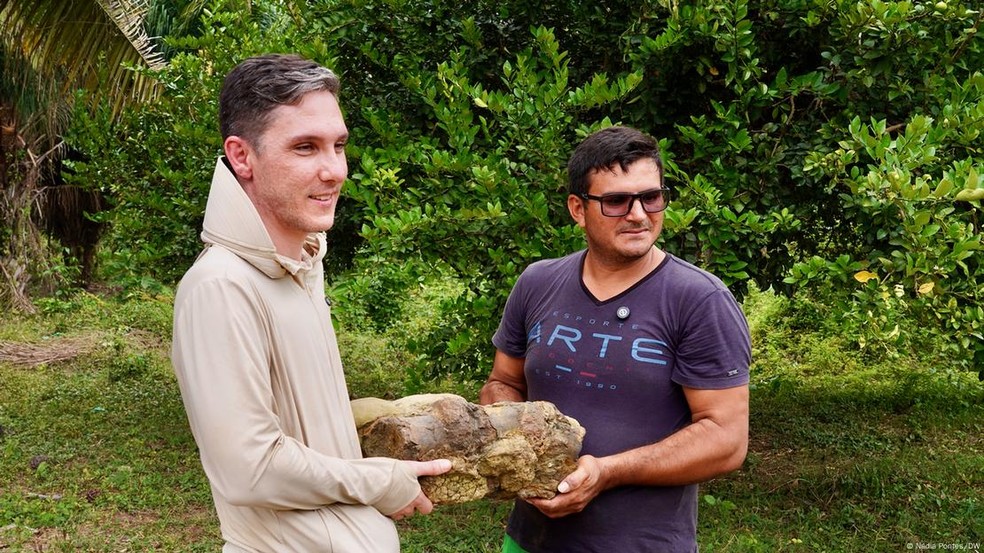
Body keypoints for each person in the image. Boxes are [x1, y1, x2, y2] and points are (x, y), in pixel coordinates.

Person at [171, 54, 450, 552]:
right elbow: (249, 470)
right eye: (305, 148)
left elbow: (283, 412)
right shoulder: (220, 285)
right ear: (242, 156)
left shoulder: (302, 263)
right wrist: (382, 481)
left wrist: (350, 419)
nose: (334, 171)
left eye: (338, 146)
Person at [479, 125, 751, 552]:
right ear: (577, 208)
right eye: (616, 201)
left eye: (651, 197)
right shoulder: (537, 282)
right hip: (529, 540)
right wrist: (515, 438)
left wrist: (606, 471)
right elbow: (504, 382)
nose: (639, 214)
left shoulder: (699, 300)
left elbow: (726, 440)